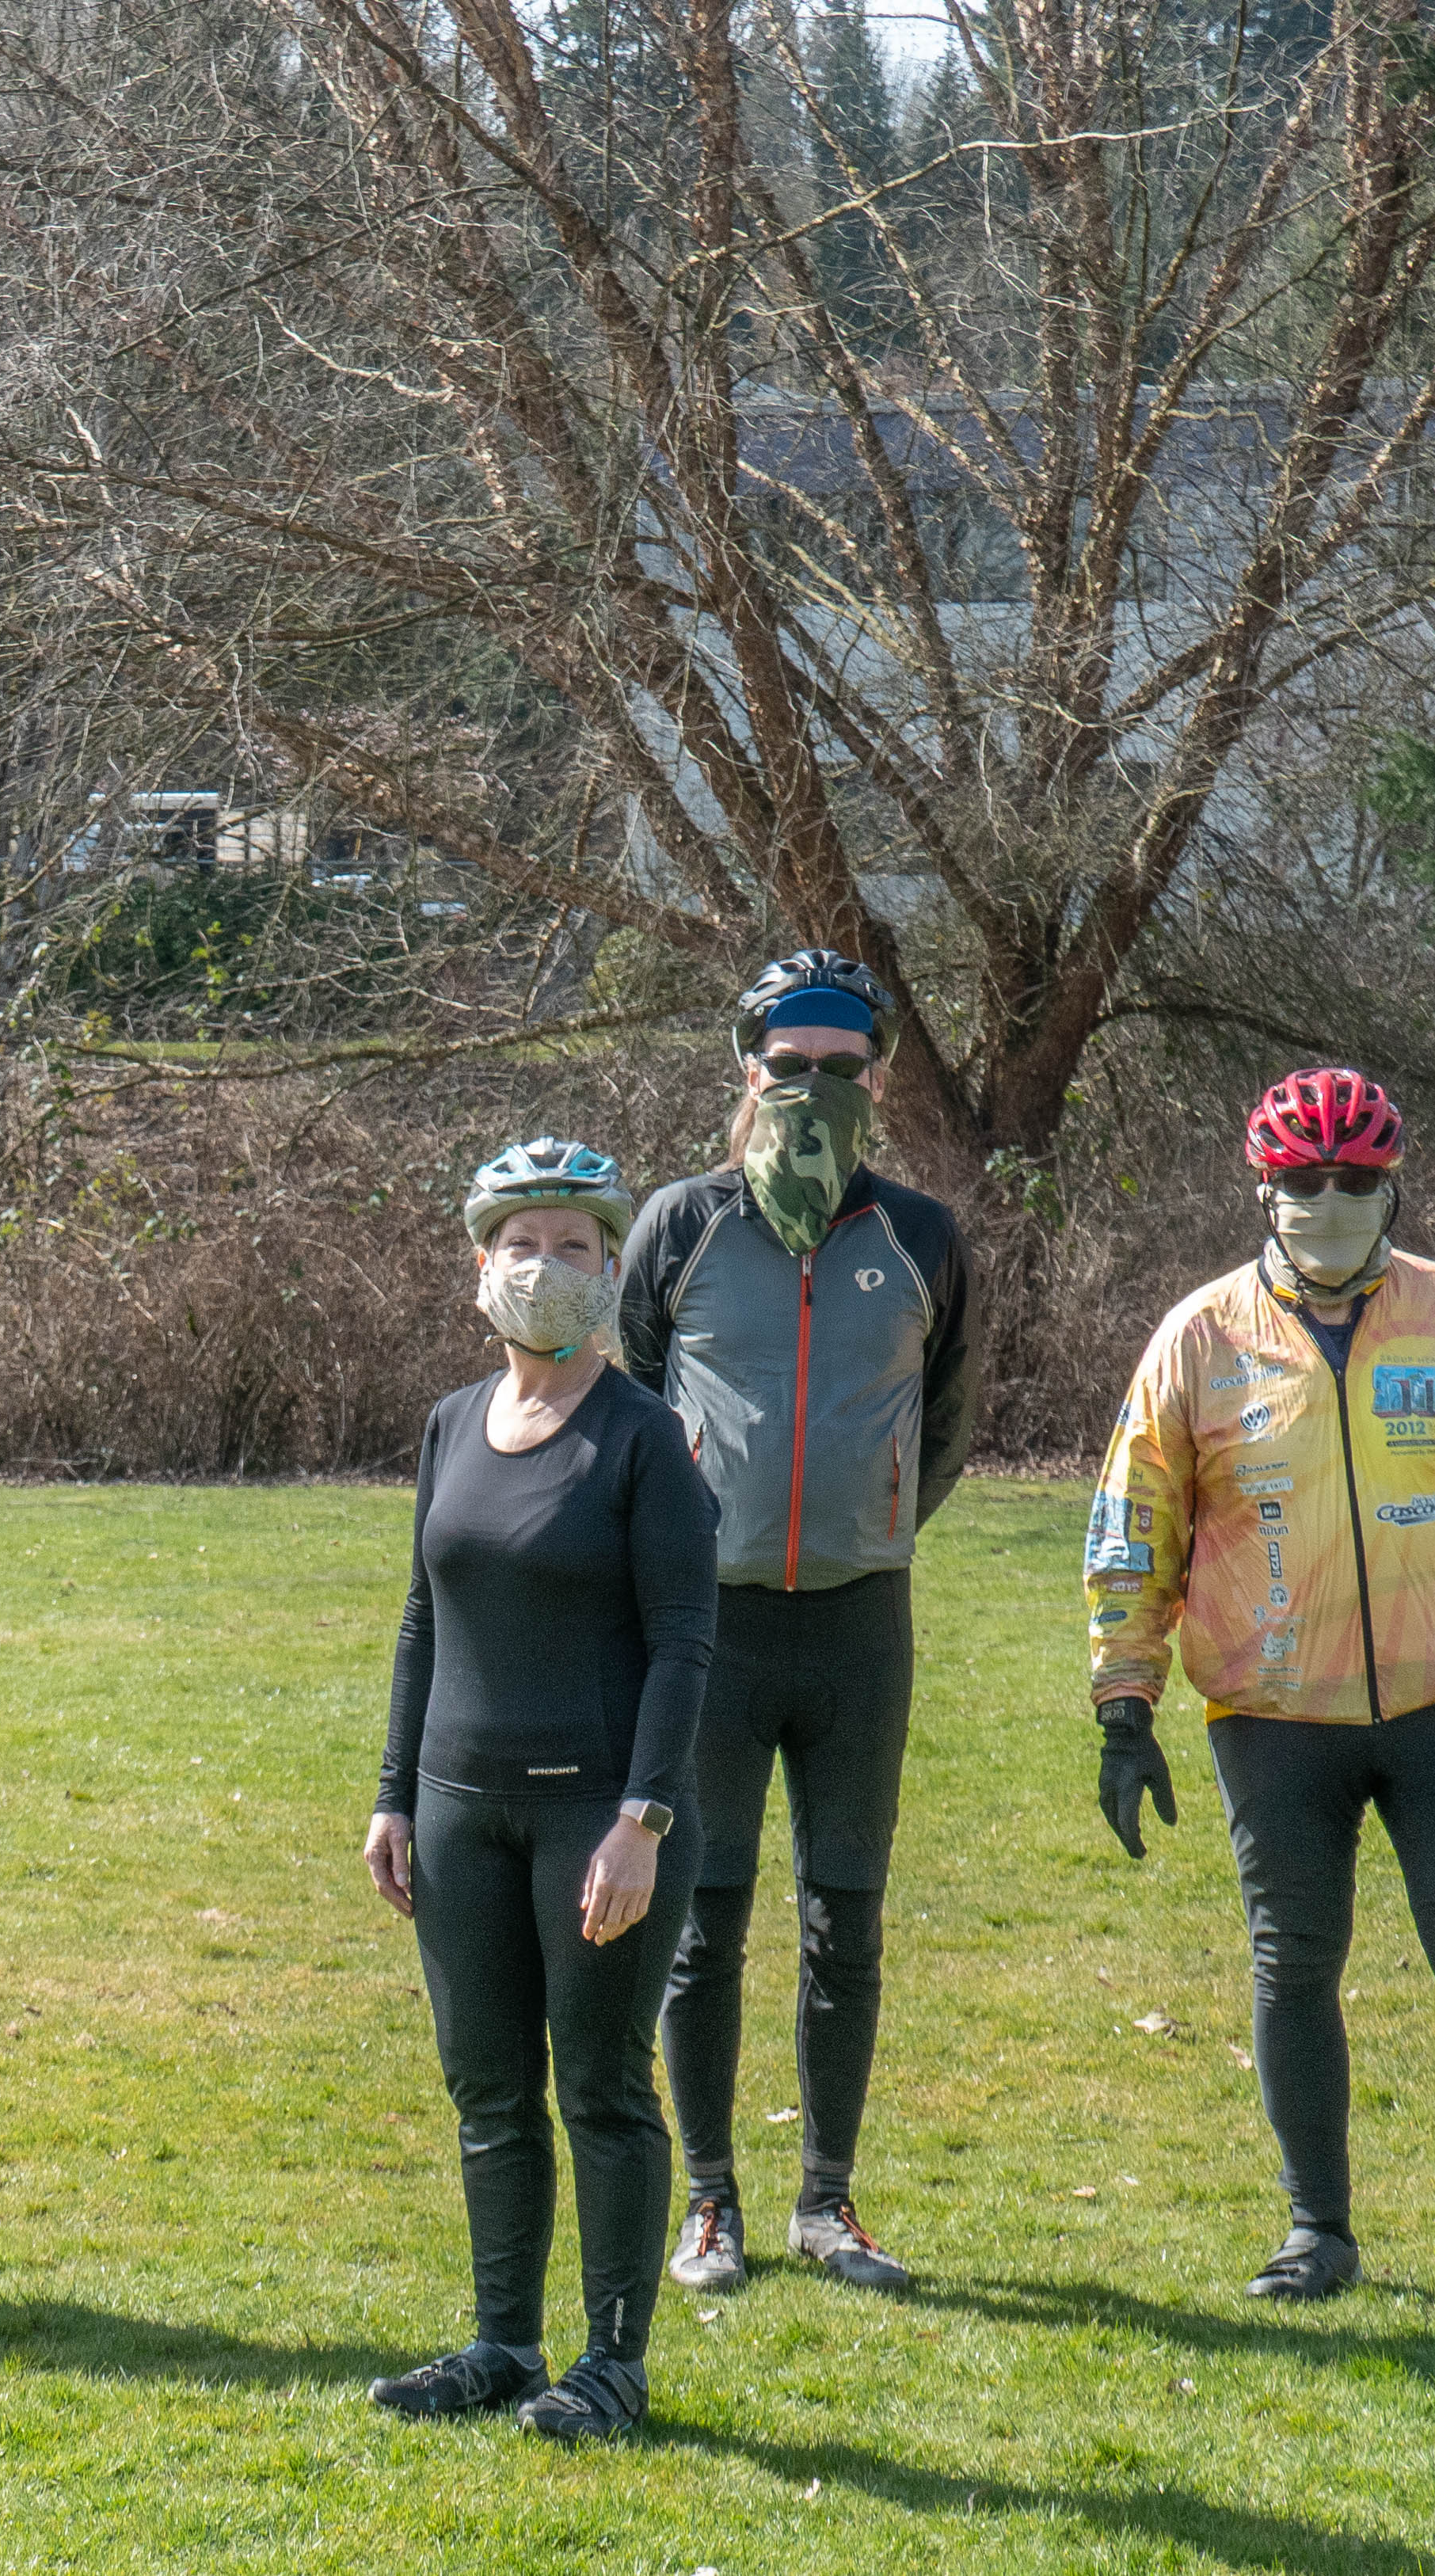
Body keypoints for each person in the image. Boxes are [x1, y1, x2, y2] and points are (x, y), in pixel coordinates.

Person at [1084, 1067, 1435, 2325]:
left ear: (1391, 1186)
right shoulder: (1202, 1337)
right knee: (1295, 1966)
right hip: (1273, 1718)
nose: (1327, 1200)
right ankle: (1316, 2231)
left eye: (1353, 1180)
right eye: (1303, 1180)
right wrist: (1125, 1701)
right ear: (1264, 1187)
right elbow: (1135, 1520)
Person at [615, 949, 974, 2296]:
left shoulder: (920, 1235)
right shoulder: (679, 1224)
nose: (814, 1086)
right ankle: (709, 2202)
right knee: (703, 1919)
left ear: (876, 1074)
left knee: (847, 1916)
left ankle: (829, 2204)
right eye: (789, 1064)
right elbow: (640, 1417)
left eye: (842, 1065)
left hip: (858, 1631)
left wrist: (872, 1524)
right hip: (710, 1634)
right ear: (747, 1066)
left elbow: (948, 1418)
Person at [364, 1138, 717, 2442]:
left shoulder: (645, 1439)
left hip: (601, 1819)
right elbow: (422, 1617)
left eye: (576, 1246)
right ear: (481, 1265)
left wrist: (644, 1818)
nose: (547, 1266)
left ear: (611, 1267)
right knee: (490, 2091)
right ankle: (505, 2342)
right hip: (461, 1815)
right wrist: (396, 1793)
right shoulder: (452, 1423)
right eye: (524, 1243)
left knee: (605, 2091)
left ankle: (612, 2363)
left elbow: (686, 1639)